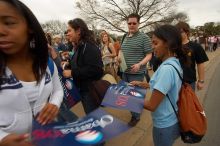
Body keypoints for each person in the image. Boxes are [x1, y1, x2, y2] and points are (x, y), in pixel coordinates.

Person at [0, 0, 63, 145]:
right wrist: (2, 138)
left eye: (9, 22)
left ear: (30, 27)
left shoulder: (46, 63)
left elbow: (58, 90)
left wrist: (54, 104)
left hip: (45, 139)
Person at [131, 24, 190, 146]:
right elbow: (164, 86)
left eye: (155, 43)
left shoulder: (166, 69)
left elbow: (152, 105)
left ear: (168, 43)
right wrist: (143, 84)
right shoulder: (173, 62)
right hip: (172, 119)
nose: (152, 47)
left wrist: (128, 99)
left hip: (164, 125)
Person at [63, 18, 103, 115]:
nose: (67, 34)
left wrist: (72, 72)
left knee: (93, 118)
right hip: (82, 90)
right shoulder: (79, 46)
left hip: (90, 92)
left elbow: (97, 70)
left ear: (78, 31)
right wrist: (69, 63)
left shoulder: (89, 46)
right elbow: (81, 62)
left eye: (69, 31)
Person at [120, 13, 153, 126]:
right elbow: (121, 52)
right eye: (129, 23)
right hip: (125, 72)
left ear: (138, 23)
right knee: (128, 95)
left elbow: (149, 55)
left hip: (137, 73)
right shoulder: (124, 36)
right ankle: (137, 110)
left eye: (134, 23)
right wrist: (118, 59)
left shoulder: (144, 37)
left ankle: (136, 117)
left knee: (134, 96)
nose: (132, 25)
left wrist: (140, 64)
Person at [176, 22, 209, 90]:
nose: (178, 34)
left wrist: (201, 81)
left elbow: (200, 64)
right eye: (176, 32)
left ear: (187, 32)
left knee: (188, 101)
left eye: (181, 32)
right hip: (174, 82)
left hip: (189, 83)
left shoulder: (196, 46)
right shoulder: (173, 47)